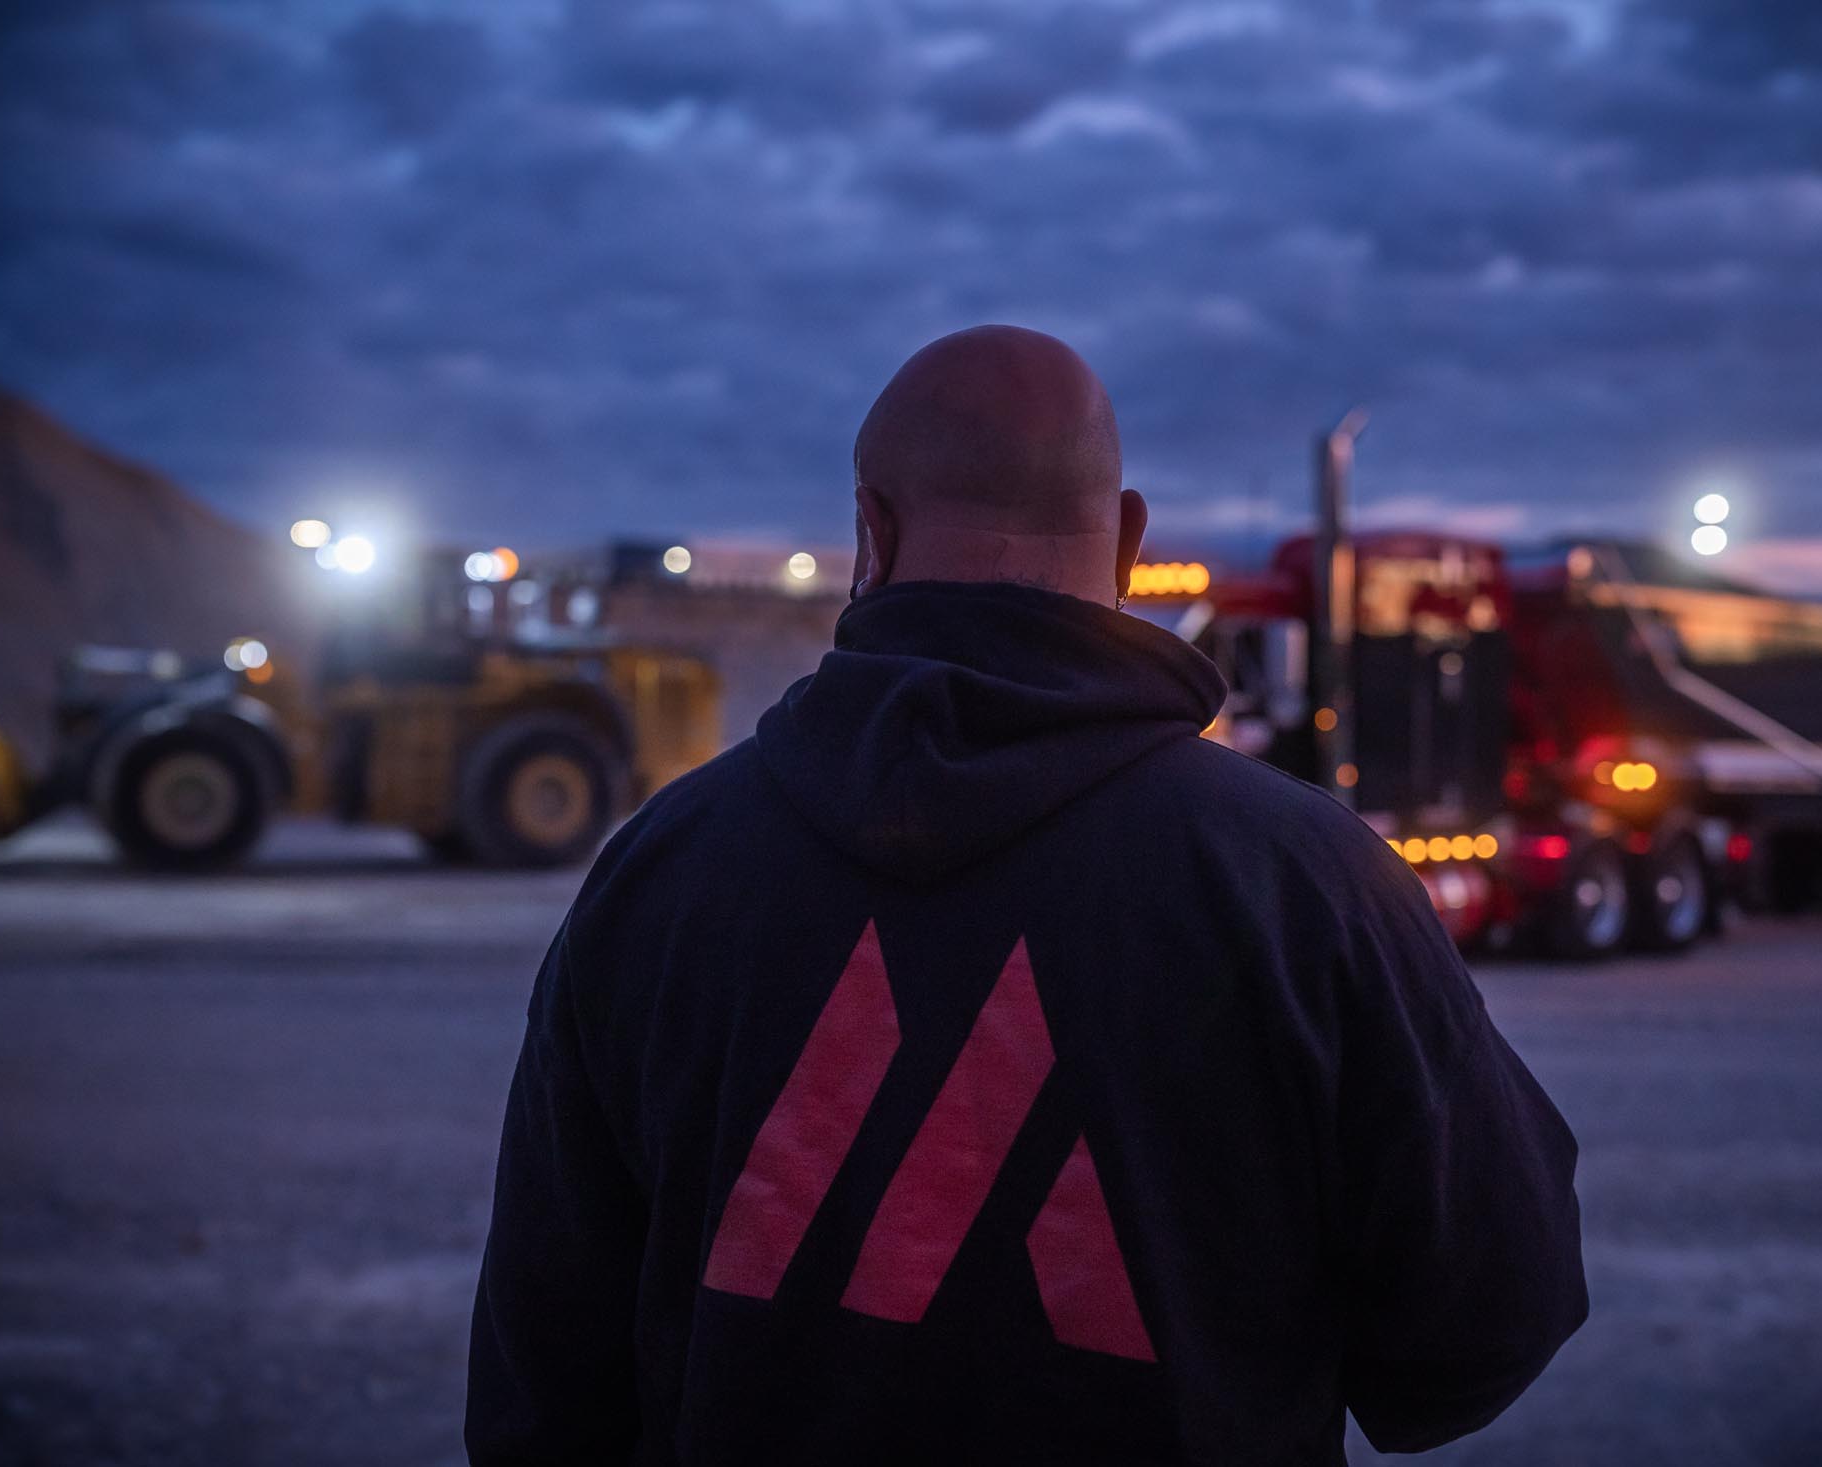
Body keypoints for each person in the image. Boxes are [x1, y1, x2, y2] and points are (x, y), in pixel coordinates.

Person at [466, 325, 1587, 1465]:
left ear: (870, 533)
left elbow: (543, 1390)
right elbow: (1482, 1329)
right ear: (1128, 542)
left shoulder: (660, 874)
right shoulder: (1309, 882)